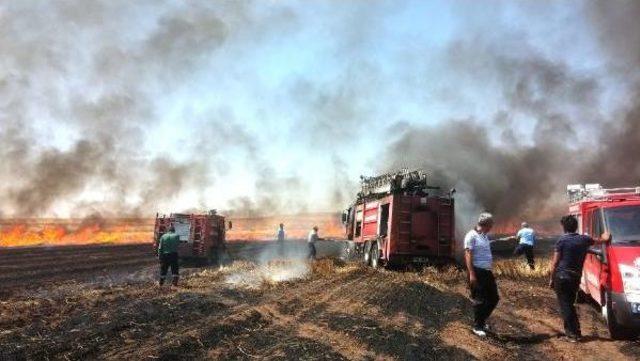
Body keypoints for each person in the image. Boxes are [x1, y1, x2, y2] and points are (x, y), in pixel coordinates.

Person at [549, 215, 610, 342]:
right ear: (576, 227)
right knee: (569, 304)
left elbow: (555, 263)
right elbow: (601, 240)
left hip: (562, 276)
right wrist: (605, 236)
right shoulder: (584, 239)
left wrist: (551, 279)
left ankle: (572, 335)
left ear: (564, 228)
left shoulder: (561, 241)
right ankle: (576, 332)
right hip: (575, 277)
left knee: (565, 305)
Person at [464, 212, 499, 337]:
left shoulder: (484, 236)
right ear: (487, 224)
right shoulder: (471, 235)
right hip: (477, 271)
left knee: (494, 298)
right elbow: (468, 255)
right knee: (480, 300)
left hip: (486, 272)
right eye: (491, 224)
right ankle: (477, 326)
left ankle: (481, 321)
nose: (492, 227)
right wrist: (472, 274)